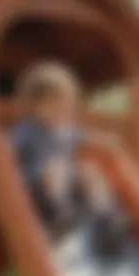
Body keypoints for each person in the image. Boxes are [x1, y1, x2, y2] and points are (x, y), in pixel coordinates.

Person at [8, 62, 130, 258]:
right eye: (52, 104)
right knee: (54, 167)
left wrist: (109, 143)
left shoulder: (64, 130)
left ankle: (106, 217)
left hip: (67, 190)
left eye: (63, 105)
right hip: (37, 194)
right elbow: (7, 149)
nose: (59, 110)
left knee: (87, 169)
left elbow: (87, 136)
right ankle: (59, 218)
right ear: (34, 105)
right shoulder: (27, 130)